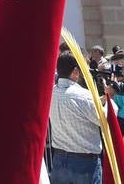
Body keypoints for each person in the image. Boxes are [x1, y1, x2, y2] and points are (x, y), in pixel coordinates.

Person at [49, 51, 104, 184]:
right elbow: (103, 120)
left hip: (59, 159)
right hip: (84, 163)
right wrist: (109, 99)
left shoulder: (50, 93)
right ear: (75, 71)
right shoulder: (83, 95)